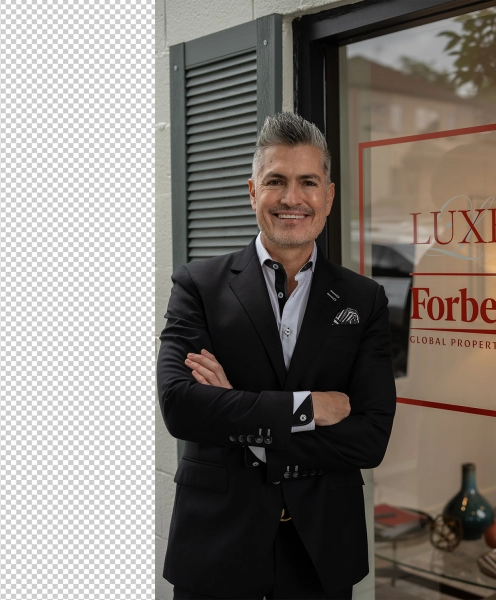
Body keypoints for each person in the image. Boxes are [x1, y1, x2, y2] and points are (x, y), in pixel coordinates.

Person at [157, 112, 397, 600]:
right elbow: (181, 406)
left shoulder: (364, 299)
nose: (292, 198)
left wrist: (237, 415)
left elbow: (370, 439)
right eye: (276, 181)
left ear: (328, 196)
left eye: (308, 182)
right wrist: (306, 409)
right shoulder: (198, 285)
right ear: (252, 191)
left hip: (321, 551)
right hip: (217, 546)